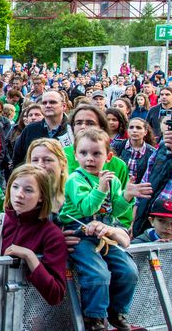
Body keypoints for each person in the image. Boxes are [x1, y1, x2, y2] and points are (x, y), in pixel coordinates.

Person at [59, 128, 139, 331]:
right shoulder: (75, 180)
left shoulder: (112, 180)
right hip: (80, 233)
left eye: (96, 154)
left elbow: (116, 210)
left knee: (128, 270)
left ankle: (117, 310)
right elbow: (87, 207)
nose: (90, 159)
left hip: (104, 232)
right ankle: (93, 317)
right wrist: (100, 189)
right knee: (98, 274)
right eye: (84, 153)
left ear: (108, 156)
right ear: (75, 155)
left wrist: (127, 197)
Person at [0, 165, 68, 305]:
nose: (19, 194)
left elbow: (56, 294)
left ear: (42, 196)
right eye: (15, 187)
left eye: (28, 190)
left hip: (32, 318)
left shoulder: (52, 235)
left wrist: (30, 257)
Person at [11, 90, 71, 169]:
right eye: (44, 103)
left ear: (64, 106)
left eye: (52, 102)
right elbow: (17, 160)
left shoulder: (71, 129)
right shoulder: (30, 129)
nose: (48, 105)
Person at [26, 138, 68, 213]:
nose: (40, 165)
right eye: (35, 160)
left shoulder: (77, 198)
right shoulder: (23, 200)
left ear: (62, 164)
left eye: (47, 160)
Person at [113, 118, 156, 184]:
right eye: (131, 127)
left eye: (138, 128)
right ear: (127, 130)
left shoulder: (152, 152)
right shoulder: (117, 146)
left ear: (145, 132)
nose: (134, 130)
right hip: (118, 188)